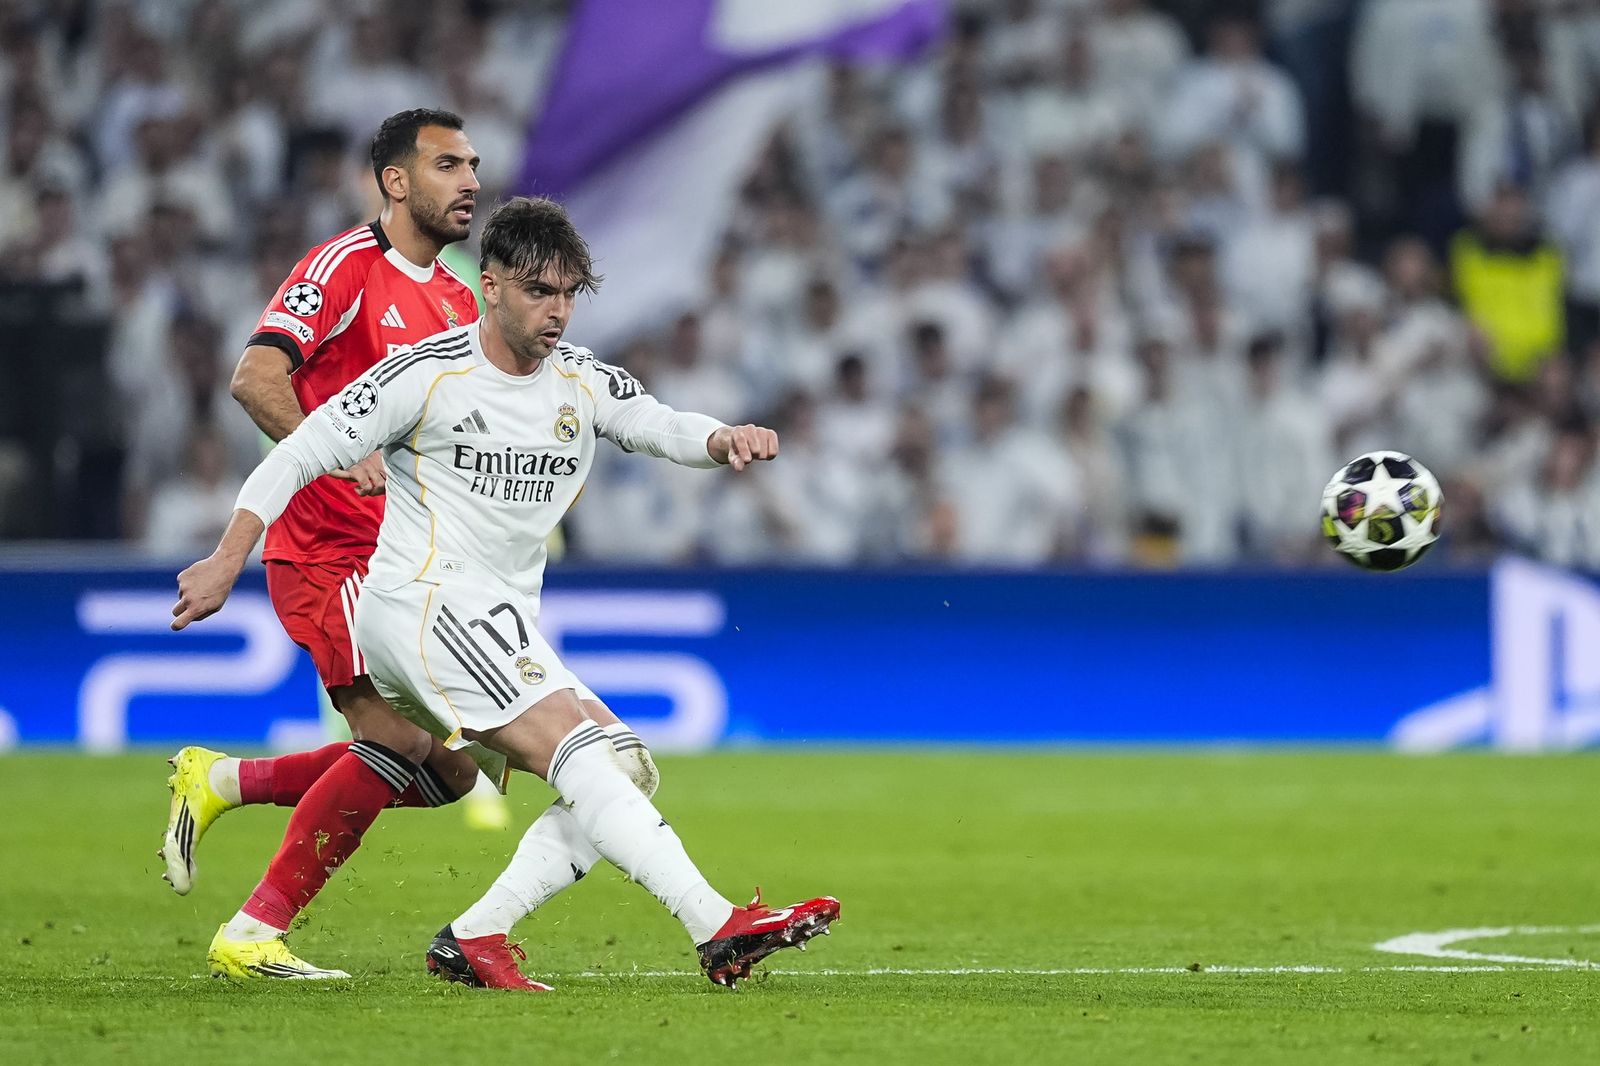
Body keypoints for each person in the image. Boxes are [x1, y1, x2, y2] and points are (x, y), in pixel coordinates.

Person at [170, 196, 840, 989]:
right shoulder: (426, 374)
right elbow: (297, 456)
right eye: (537, 292)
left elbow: (658, 422)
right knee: (573, 748)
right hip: (421, 605)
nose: (556, 312)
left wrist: (721, 437)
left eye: (566, 295)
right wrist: (225, 558)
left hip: (497, 619)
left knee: (621, 766)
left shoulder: (580, 381)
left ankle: (476, 934)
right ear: (489, 286)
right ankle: (716, 924)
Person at [158, 108, 495, 975]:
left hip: (407, 563)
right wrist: (340, 461)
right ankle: (254, 932)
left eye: (474, 165)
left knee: (453, 776)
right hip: (327, 552)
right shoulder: (340, 270)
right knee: (388, 740)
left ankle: (223, 781)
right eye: (449, 164)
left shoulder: (459, 298)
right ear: (396, 181)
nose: (470, 181)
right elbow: (254, 377)